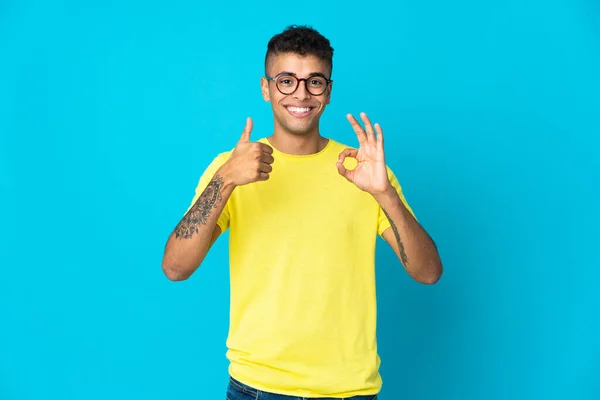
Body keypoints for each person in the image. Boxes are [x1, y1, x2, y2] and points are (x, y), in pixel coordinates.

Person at [161, 25, 443, 400]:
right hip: (258, 388)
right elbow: (175, 268)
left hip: (349, 391)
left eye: (314, 82)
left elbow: (428, 273)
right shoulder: (232, 168)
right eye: (286, 80)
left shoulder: (363, 170)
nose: (300, 94)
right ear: (266, 89)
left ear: (328, 92)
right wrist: (225, 179)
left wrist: (385, 194)